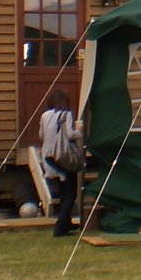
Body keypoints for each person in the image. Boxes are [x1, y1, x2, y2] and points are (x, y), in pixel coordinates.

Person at [39, 89, 82, 237]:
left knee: (62, 192)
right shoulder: (66, 114)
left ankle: (66, 223)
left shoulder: (44, 115)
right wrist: (79, 131)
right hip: (62, 157)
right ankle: (60, 227)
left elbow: (41, 135)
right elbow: (70, 134)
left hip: (48, 158)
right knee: (70, 193)